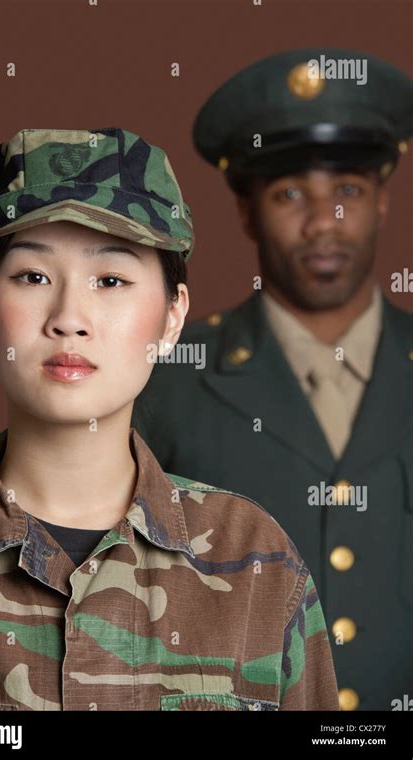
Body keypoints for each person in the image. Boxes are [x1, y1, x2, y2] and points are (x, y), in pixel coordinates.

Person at [0, 128, 339, 711]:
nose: (70, 318)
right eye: (32, 277)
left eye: (111, 281)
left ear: (173, 316)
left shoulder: (257, 561)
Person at [132, 49, 413, 711]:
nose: (323, 223)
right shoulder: (165, 378)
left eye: (347, 190)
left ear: (383, 202)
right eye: (290, 195)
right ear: (247, 214)